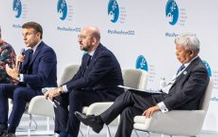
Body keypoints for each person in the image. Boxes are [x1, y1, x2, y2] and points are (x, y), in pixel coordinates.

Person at [76, 33, 209, 137]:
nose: (176, 53)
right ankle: (100, 123)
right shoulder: (188, 66)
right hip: (166, 97)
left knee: (130, 95)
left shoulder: (199, 70)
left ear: (191, 52)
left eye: (179, 51)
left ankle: (99, 121)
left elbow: (184, 95)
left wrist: (158, 106)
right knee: (128, 111)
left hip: (178, 107)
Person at [43, 27, 123, 137]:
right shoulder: (86, 57)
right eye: (79, 37)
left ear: (93, 41)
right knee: (59, 96)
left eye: (83, 37)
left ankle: (71, 134)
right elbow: (78, 77)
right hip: (94, 92)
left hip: (109, 95)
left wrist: (61, 89)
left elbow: (88, 80)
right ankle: (63, 132)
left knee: (76, 94)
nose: (79, 40)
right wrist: (58, 89)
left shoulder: (105, 56)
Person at [0, 22, 57, 137]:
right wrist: (18, 64)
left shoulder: (47, 52)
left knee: (19, 92)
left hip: (42, 89)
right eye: (23, 34)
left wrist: (18, 76)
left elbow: (42, 77)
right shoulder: (27, 52)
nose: (24, 38)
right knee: (1, 88)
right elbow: (21, 75)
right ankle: (2, 128)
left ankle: (11, 131)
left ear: (38, 35)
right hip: (28, 88)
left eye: (28, 34)